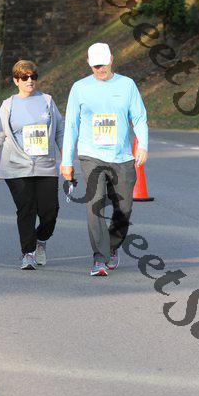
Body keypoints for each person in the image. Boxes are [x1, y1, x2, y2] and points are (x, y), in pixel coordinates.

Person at [61, 42, 148, 277]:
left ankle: (111, 245)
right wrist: (66, 161)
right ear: (89, 63)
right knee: (95, 204)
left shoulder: (127, 85)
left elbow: (139, 117)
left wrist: (143, 144)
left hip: (122, 157)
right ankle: (99, 257)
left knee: (124, 208)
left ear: (111, 59)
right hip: (91, 156)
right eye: (96, 65)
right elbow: (71, 125)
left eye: (103, 64)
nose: (100, 69)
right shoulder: (80, 88)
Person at [0, 60, 64, 270]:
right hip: (16, 166)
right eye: (24, 77)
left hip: (45, 165)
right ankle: (27, 253)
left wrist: (66, 160)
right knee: (26, 209)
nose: (30, 81)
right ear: (16, 80)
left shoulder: (47, 101)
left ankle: (41, 240)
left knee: (50, 210)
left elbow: (59, 130)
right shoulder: (8, 105)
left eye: (33, 76)